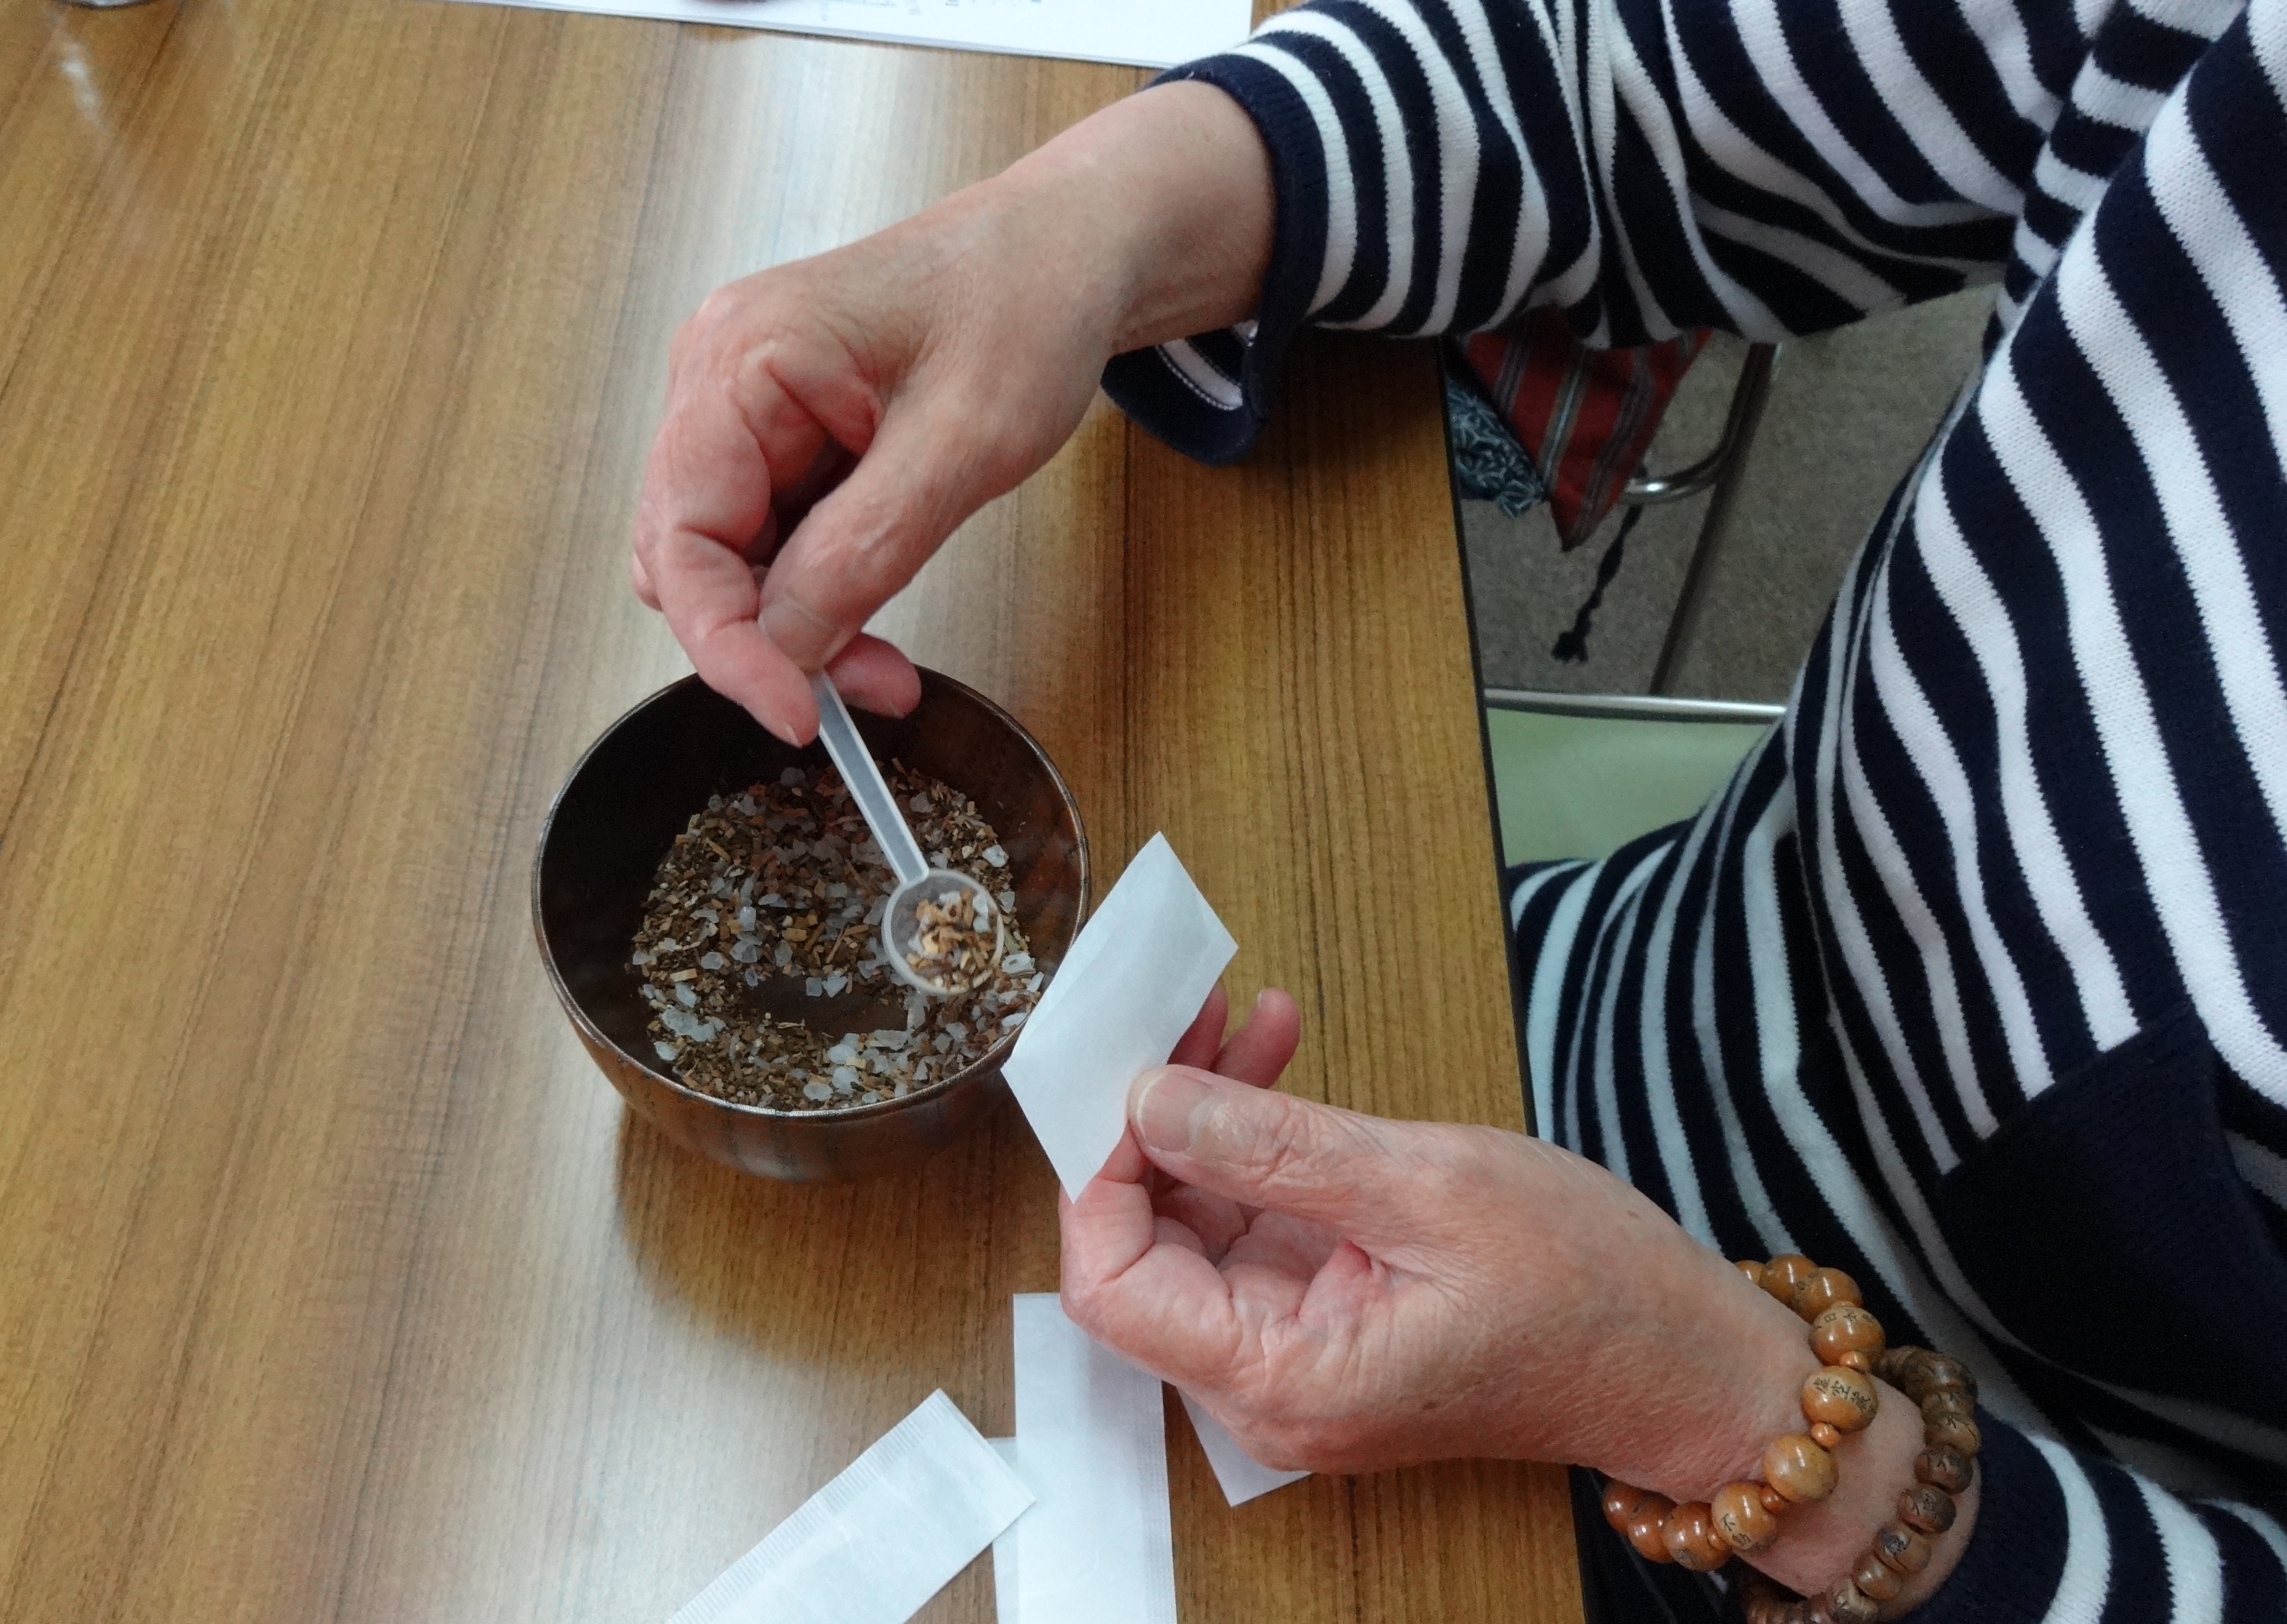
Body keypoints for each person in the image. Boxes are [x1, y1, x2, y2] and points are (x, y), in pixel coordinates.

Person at [630, 0, 2287, 1615]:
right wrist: (1087, 221)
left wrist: (1738, 1422)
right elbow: (1623, 97)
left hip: (1897, 1539)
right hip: (1592, 985)